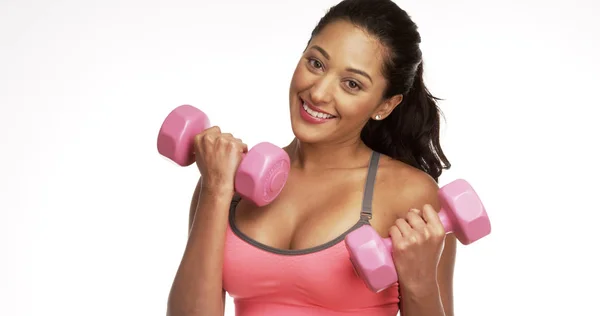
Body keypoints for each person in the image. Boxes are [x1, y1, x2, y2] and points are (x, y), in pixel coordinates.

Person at [166, 0, 456, 315]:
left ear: (384, 106)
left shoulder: (411, 195)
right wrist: (216, 186)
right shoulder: (226, 181)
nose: (318, 93)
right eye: (316, 63)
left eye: (352, 84)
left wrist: (421, 282)